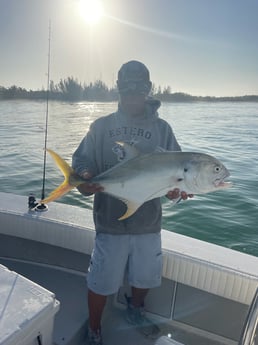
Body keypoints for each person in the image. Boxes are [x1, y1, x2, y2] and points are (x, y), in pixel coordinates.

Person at [72, 60, 192, 345]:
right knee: (101, 281)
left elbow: (176, 173)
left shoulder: (162, 129)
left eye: (138, 91)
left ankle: (135, 311)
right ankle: (95, 329)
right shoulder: (101, 127)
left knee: (145, 277)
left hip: (148, 223)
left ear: (148, 91)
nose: (133, 97)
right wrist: (85, 177)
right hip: (109, 223)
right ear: (118, 90)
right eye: (127, 91)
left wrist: (175, 191)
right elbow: (82, 160)